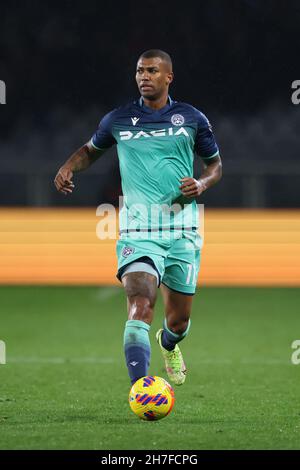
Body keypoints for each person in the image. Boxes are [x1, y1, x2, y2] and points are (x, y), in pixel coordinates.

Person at [54, 49, 222, 387]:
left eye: (152, 71)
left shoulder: (192, 118)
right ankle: (141, 387)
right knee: (141, 303)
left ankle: (169, 344)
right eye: (139, 71)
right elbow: (91, 150)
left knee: (178, 322)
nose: (144, 76)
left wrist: (201, 183)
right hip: (138, 229)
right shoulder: (118, 119)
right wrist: (69, 166)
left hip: (182, 228)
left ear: (168, 77)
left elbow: (215, 166)